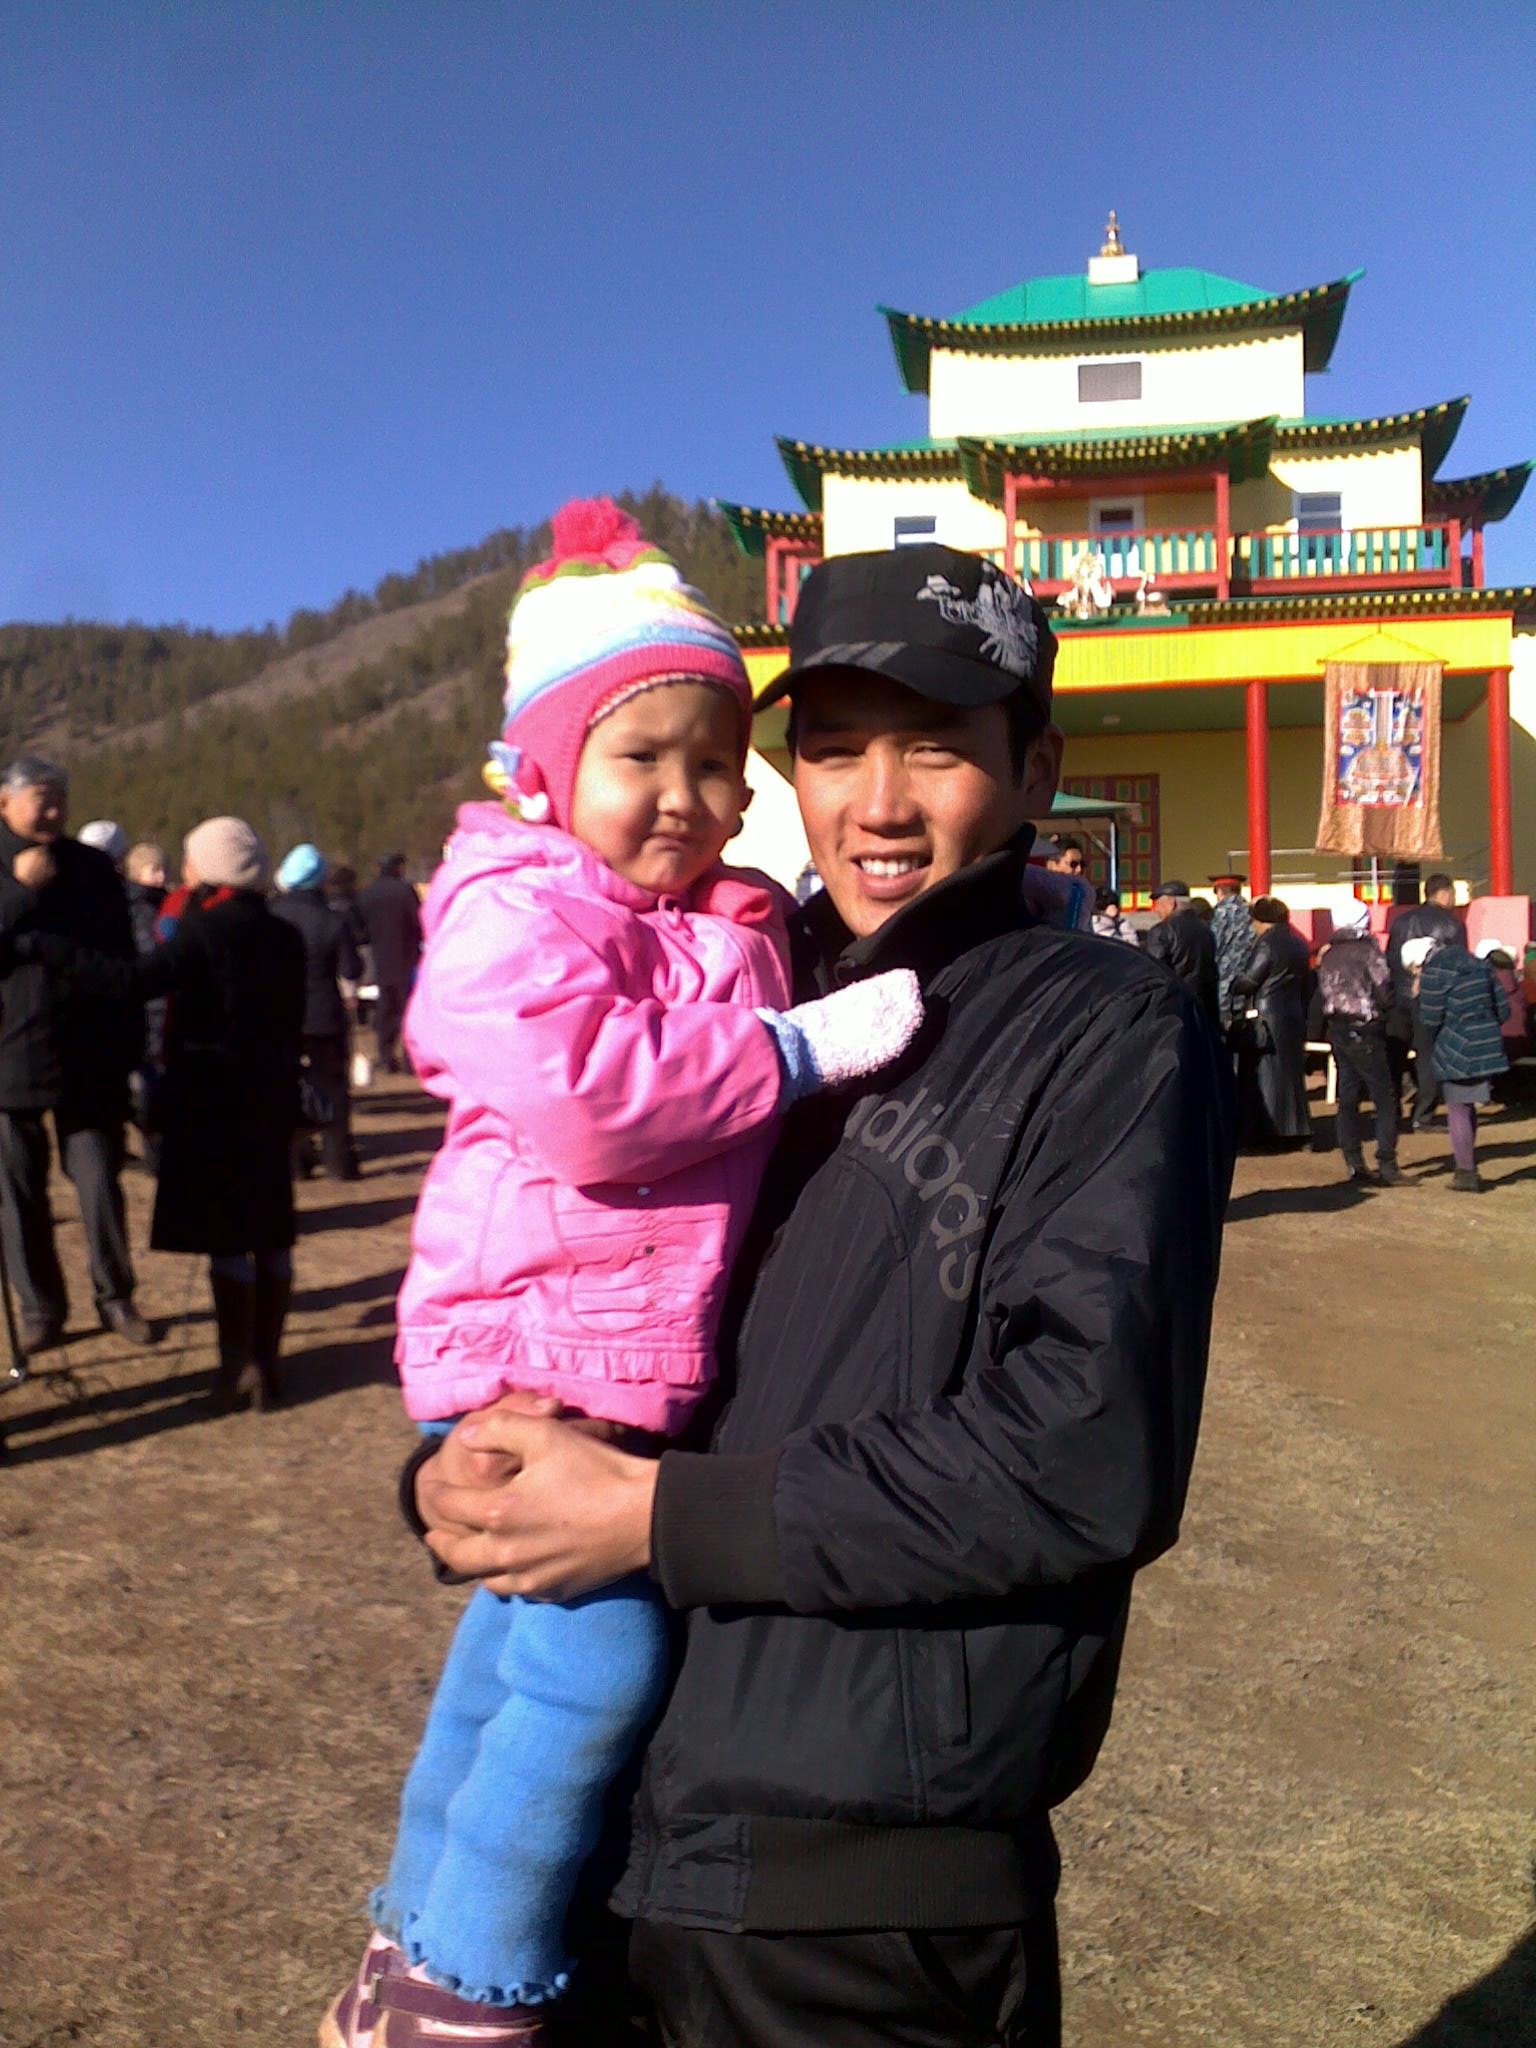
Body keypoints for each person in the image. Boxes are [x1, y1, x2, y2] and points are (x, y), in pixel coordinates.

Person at [406, 541, 1236, 2048]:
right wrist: (461, 1461)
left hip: (862, 1910)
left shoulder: (1109, 1031)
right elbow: (535, 1226)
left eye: (938, 747)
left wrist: (661, 1518)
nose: (880, 802)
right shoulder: (719, 973)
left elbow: (1087, 1449)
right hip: (609, 1849)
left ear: (1035, 769)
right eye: (837, 748)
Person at [324, 501, 922, 2048]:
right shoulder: (512, 911)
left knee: (507, 1649)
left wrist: (1007, 906)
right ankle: (472, 1970)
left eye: (715, 763)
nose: (682, 795)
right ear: (543, 769)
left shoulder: (714, 915)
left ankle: (404, 1939)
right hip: (540, 1350)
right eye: (637, 756)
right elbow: (591, 1104)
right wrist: (787, 1055)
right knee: (602, 1657)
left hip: (611, 1356)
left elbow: (831, 949)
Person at [16, 817, 307, 1407]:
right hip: (272, 1096)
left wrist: (50, 947)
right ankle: (268, 1363)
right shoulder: (285, 935)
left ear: (213, 865)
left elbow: (132, 981)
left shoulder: (203, 931)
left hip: (215, 1098)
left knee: (231, 1236)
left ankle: (237, 1368)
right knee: (271, 1232)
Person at [0, 757, 150, 1358]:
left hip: (88, 1053)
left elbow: (123, 959)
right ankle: (40, 1309)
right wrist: (19, 892)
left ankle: (116, 1296)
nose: (54, 811)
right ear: (5, 802)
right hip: (10, 1054)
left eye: (61, 798)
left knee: (98, 1184)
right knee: (18, 1194)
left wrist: (131, 1043)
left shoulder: (90, 867)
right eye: (42, 799)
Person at [272, 843, 363, 1181]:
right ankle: (339, 1162)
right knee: (333, 1088)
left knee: (288, 1087)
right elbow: (351, 969)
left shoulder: (272, 916)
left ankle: (297, 1161)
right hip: (324, 1015)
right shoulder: (333, 920)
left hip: (282, 1014)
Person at [1315, 900, 1405, 1186]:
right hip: (1366, 1028)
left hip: (1337, 1028)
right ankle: (1387, 1163)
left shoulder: (1328, 954)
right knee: (1384, 1098)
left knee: (1348, 1097)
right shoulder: (1368, 952)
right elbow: (1384, 991)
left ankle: (1354, 1163)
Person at [1419, 933, 1510, 1192]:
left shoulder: (1434, 973)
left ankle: (1466, 1171)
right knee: (1468, 1106)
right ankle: (1466, 1164)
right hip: (1486, 1042)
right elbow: (1504, 1010)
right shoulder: (1482, 967)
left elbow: (1430, 1019)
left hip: (1454, 1045)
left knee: (1458, 1107)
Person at [1229, 896, 1312, 1147]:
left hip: (1266, 1016)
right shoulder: (1299, 943)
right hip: (1293, 1013)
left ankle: (1266, 1130)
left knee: (1264, 1075)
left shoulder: (1266, 944)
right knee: (1290, 1075)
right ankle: (1296, 1128)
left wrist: (1233, 984)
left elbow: (1250, 980)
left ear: (1261, 920)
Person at [1386, 873, 1461, 1128]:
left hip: (1398, 995)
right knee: (1428, 1056)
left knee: (1394, 1054)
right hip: (1432, 998)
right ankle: (1423, 1114)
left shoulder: (1400, 922)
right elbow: (1457, 965)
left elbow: (1390, 959)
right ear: (1444, 893)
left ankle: (1391, 1111)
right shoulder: (1453, 925)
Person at [124, 841, 169, 1173]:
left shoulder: (162, 905)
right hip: (151, 1010)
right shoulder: (141, 910)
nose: (161, 876)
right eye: (154, 870)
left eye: (163, 869)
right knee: (152, 1088)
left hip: (158, 1008)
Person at [357, 851, 423, 1073]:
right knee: (408, 1012)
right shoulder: (405, 891)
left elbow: (359, 930)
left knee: (385, 1012)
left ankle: (386, 1057)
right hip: (407, 960)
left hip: (380, 962)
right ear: (397, 867)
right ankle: (409, 1060)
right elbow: (418, 922)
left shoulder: (368, 894)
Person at [1142, 876, 1219, 1021]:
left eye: (1158, 904)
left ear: (1171, 903)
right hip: (1205, 1007)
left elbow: (1156, 972)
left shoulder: (1161, 931)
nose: (1156, 910)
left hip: (1175, 1008)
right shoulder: (1206, 930)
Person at [1209, 872, 1256, 1025]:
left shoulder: (1220, 913)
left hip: (1223, 979)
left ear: (1219, 891)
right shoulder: (1252, 912)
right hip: (1248, 978)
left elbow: (1214, 944)